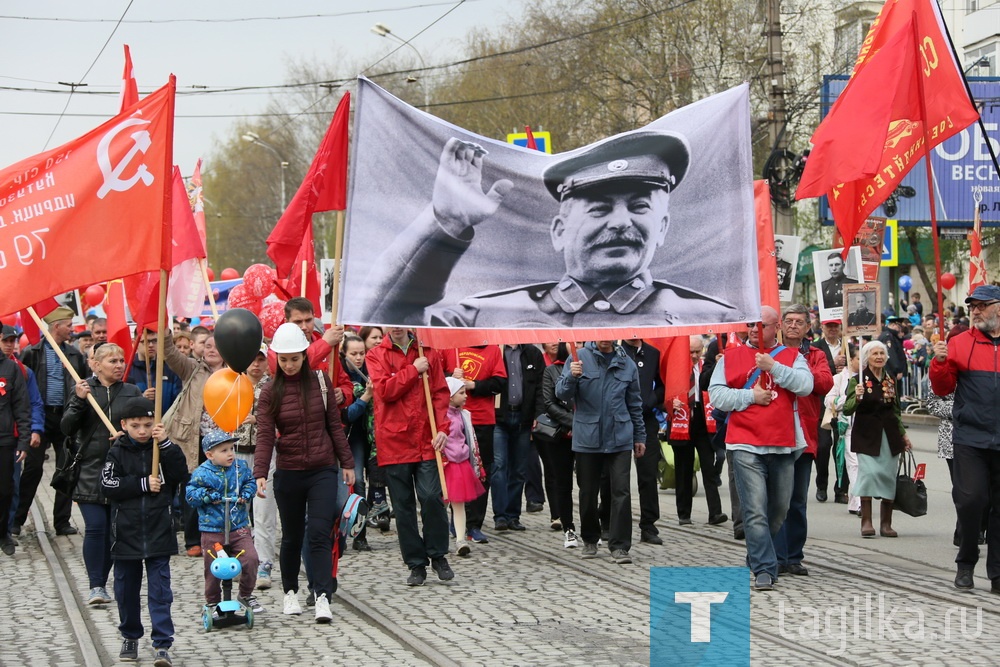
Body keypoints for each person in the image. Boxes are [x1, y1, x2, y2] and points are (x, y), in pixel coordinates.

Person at [362, 132, 735, 328]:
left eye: (639, 207)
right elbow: (382, 318)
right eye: (600, 208)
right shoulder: (487, 314)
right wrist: (445, 222)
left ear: (663, 227)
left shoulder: (712, 318)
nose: (621, 222)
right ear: (558, 231)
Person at [253, 323, 354, 622]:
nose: (289, 364)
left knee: (320, 533)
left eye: (294, 358)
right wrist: (260, 472)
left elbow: (334, 427)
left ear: (304, 355)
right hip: (289, 471)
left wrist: (346, 463)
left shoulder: (321, 382)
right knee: (292, 537)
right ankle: (289, 593)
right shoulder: (270, 390)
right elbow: (265, 436)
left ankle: (323, 595)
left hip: (322, 468)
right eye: (283, 359)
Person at [708, 306, 814, 591]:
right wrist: (750, 396)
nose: (755, 331)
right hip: (744, 443)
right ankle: (765, 569)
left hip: (782, 443)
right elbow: (717, 395)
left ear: (775, 327)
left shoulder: (793, 356)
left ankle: (756, 554)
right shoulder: (730, 357)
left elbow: (805, 386)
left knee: (778, 510)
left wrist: (774, 368)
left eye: (762, 326)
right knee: (754, 511)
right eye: (751, 326)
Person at [101, 398, 187, 667]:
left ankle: (162, 642)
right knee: (126, 588)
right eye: (136, 425)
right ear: (124, 425)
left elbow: (180, 474)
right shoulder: (117, 451)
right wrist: (141, 483)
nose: (142, 431)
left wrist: (166, 445)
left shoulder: (162, 448)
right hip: (126, 531)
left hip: (158, 528)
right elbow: (108, 485)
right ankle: (130, 634)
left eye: (148, 425)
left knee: (160, 590)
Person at [366, 327, 453, 586]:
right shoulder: (375, 355)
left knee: (431, 497)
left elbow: (439, 394)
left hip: (426, 438)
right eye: (391, 321)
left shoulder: (428, 352)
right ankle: (416, 563)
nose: (396, 326)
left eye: (401, 321)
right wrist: (414, 369)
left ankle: (437, 554)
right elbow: (385, 391)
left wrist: (442, 429)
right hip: (394, 441)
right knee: (403, 506)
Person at [930, 284, 1000, 591]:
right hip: (970, 437)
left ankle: (997, 572)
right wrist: (939, 363)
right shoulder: (958, 343)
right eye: (972, 305)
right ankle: (967, 560)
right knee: (971, 500)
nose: (975, 310)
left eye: (982, 305)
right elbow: (943, 389)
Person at [60, 343, 141, 604]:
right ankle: (96, 585)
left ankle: (106, 580)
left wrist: (127, 435)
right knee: (96, 527)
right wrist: (78, 400)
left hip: (121, 471)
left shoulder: (131, 391)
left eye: (121, 360)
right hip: (90, 470)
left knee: (114, 531)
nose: (119, 365)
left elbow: (144, 428)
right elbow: (66, 427)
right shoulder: (83, 389)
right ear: (96, 365)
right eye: (112, 361)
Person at [556, 340, 645, 565]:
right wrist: (572, 376)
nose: (604, 337)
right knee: (587, 492)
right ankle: (590, 538)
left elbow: (634, 403)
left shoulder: (627, 363)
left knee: (621, 492)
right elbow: (562, 393)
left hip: (620, 436)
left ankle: (620, 545)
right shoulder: (579, 357)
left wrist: (639, 437)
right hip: (588, 437)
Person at [15, 306, 88, 537]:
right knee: (33, 469)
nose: (72, 329)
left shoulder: (75, 355)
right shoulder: (32, 352)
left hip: (66, 417)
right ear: (56, 327)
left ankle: (62, 522)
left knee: (67, 469)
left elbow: (83, 384)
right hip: (41, 417)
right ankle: (17, 519)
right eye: (68, 325)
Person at [773, 304, 833, 576]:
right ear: (780, 325)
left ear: (808, 327)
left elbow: (824, 383)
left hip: (805, 436)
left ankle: (793, 556)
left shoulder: (816, 354)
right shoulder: (770, 352)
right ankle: (774, 554)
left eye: (799, 321)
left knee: (797, 499)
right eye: (789, 320)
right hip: (773, 435)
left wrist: (797, 374)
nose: (793, 325)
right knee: (775, 501)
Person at [161, 330, 227, 557]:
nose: (211, 349)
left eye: (216, 346)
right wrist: (166, 333)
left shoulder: (235, 372)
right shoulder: (192, 369)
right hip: (192, 440)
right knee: (191, 489)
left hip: (221, 441)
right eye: (207, 346)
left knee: (218, 490)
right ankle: (193, 540)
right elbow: (169, 353)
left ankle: (218, 538)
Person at [185, 430, 263, 614]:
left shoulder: (240, 468)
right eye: (224, 450)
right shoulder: (202, 473)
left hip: (238, 526)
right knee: (214, 568)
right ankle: (212, 601)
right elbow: (190, 494)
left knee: (251, 559)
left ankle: (245, 594)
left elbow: (250, 482)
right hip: (213, 528)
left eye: (231, 449)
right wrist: (206, 496)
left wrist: (247, 492)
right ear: (210, 455)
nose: (230, 454)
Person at [843, 340, 911, 539]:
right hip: (866, 435)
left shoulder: (890, 379)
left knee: (888, 477)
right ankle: (866, 521)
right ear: (867, 357)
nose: (879, 357)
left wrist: (903, 434)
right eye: (875, 353)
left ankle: (886, 524)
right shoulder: (858, 380)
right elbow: (846, 409)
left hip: (889, 435)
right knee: (869, 474)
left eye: (882, 353)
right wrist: (856, 397)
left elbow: (896, 410)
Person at [441, 343, 505, 543]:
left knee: (481, 471)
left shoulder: (492, 349)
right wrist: (451, 374)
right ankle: (455, 518)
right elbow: (436, 378)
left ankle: (474, 524)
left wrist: (473, 385)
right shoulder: (449, 346)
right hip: (451, 419)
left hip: (482, 419)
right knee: (453, 471)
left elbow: (499, 383)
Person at [233, 345, 277, 589]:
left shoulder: (273, 386)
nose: (256, 364)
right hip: (237, 454)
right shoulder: (232, 384)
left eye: (261, 359)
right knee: (238, 512)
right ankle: (240, 561)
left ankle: (264, 563)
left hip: (265, 454)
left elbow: (282, 418)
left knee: (264, 513)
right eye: (252, 359)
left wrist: (258, 420)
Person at [672, 335, 727, 528]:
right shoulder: (675, 368)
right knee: (684, 471)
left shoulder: (705, 367)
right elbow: (665, 392)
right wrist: (670, 403)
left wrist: (719, 365)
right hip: (682, 422)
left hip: (703, 422)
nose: (694, 356)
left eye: (698, 351)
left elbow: (708, 382)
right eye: (691, 352)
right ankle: (684, 514)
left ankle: (715, 512)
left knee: (709, 469)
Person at [492, 343, 545, 532]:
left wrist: (538, 415)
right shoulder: (496, 351)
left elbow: (540, 387)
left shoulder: (533, 353)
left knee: (519, 469)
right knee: (499, 465)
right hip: (499, 418)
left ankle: (513, 515)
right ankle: (500, 515)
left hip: (524, 418)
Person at [619, 337, 666, 542]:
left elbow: (664, 385)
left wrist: (651, 400)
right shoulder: (616, 350)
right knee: (616, 477)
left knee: (648, 474)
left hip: (645, 420)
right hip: (618, 420)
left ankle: (648, 525)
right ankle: (610, 522)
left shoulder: (653, 353)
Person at [341, 334, 378, 551]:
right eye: (353, 353)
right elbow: (347, 414)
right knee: (356, 483)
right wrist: (366, 397)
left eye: (361, 353)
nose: (358, 358)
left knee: (370, 483)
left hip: (370, 436)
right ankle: (357, 533)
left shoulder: (370, 370)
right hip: (350, 435)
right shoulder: (341, 376)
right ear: (344, 354)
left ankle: (361, 533)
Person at [540, 342, 578, 548]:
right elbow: (549, 402)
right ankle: (568, 527)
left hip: (587, 437)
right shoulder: (552, 370)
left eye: (583, 342)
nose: (579, 346)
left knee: (590, 484)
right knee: (563, 483)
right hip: (560, 435)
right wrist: (572, 422)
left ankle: (594, 526)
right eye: (576, 342)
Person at [443, 377, 486, 557]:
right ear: (450, 396)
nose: (466, 396)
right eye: (461, 393)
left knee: (458, 504)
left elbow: (469, 437)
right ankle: (440, 539)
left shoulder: (463, 415)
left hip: (460, 463)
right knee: (440, 504)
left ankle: (460, 539)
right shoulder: (440, 415)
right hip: (446, 463)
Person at [813, 320, 850, 504]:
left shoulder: (848, 347)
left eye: (836, 326)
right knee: (823, 446)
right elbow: (813, 372)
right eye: (829, 326)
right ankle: (821, 484)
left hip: (843, 406)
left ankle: (841, 489)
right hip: (822, 405)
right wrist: (832, 363)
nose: (833, 330)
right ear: (823, 328)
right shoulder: (815, 347)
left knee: (842, 449)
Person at [0, 333, 31, 556]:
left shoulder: (10, 369)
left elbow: (22, 406)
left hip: (5, 440)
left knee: (5, 490)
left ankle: (3, 533)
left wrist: (24, 441)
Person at [128, 330, 183, 413]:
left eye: (154, 341)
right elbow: (123, 403)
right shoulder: (127, 370)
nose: (151, 345)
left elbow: (179, 402)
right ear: (135, 343)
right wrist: (141, 398)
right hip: (139, 423)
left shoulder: (170, 369)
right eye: (145, 341)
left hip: (165, 423)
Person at [877, 317, 908, 383]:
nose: (899, 329)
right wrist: (897, 370)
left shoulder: (891, 336)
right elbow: (891, 354)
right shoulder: (888, 337)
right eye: (899, 327)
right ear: (893, 325)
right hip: (890, 371)